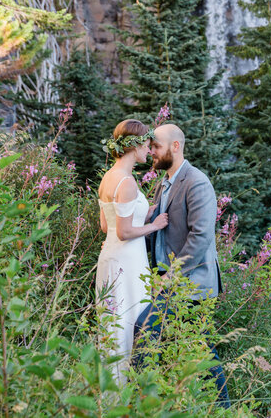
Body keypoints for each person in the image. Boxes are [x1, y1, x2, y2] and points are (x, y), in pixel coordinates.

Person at [133, 123, 230, 407]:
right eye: (150, 147)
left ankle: (141, 402)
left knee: (146, 328)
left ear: (176, 146)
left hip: (192, 283)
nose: (152, 151)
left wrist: (172, 276)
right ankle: (201, 406)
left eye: (157, 146)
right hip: (169, 280)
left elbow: (201, 237)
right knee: (196, 348)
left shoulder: (196, 181)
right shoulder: (165, 182)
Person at [96, 119, 168, 385]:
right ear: (135, 144)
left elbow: (106, 224)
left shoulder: (109, 178)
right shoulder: (126, 182)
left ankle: (112, 388)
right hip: (127, 260)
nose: (149, 151)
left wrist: (143, 211)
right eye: (147, 145)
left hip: (112, 259)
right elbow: (123, 232)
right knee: (128, 323)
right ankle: (124, 391)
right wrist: (154, 224)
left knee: (113, 323)